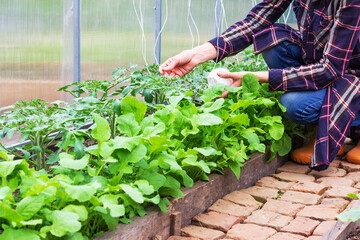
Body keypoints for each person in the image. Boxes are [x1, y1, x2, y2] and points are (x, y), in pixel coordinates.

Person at [159, 0, 360, 171]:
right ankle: (324, 125)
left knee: (293, 105)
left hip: (352, 74)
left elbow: (329, 69)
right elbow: (257, 21)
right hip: (325, 64)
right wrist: (196, 55)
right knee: (275, 43)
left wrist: (256, 76)